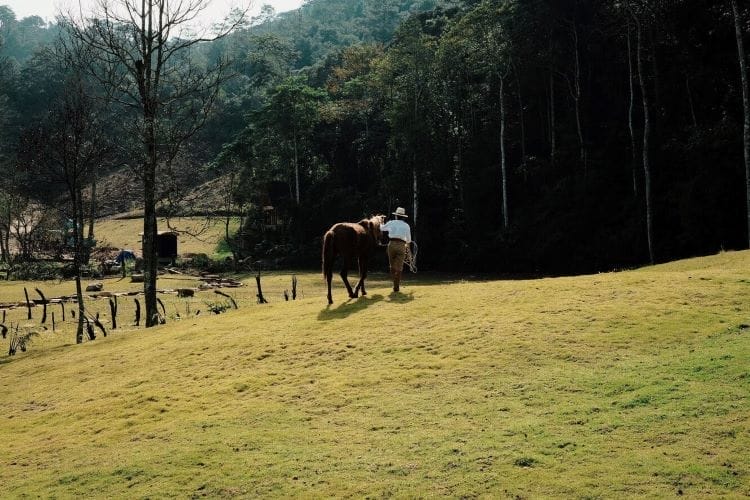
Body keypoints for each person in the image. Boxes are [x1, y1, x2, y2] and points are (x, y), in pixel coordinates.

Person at [380, 207, 411, 292]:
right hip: (401, 245)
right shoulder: (406, 225)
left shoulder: (391, 223)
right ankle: (396, 286)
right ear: (403, 217)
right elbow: (408, 240)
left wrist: (382, 221)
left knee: (392, 266)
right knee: (399, 267)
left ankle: (395, 285)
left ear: (396, 216)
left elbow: (381, 228)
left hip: (391, 245)